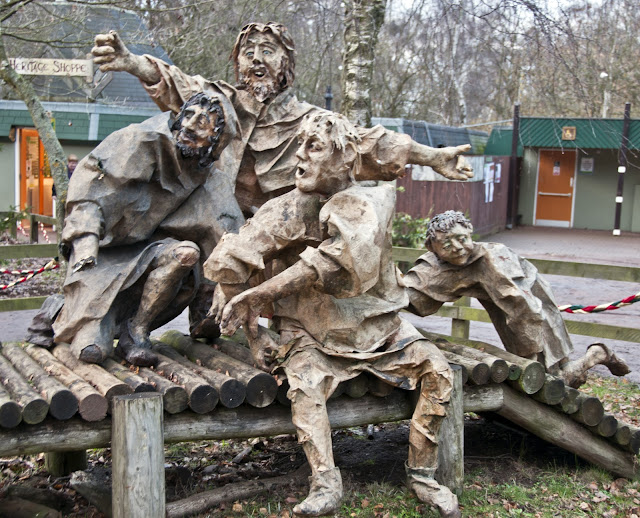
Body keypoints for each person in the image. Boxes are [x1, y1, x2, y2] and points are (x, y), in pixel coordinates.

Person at [204, 112, 460, 517]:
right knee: (305, 388)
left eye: (314, 147)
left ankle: (423, 475)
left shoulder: (372, 200)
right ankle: (325, 482)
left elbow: (337, 261)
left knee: (438, 371)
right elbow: (230, 259)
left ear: (345, 158)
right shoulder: (285, 210)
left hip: (380, 328)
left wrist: (262, 292)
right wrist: (254, 334)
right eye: (299, 146)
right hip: (311, 333)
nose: (299, 157)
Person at [91, 22, 474, 217]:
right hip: (211, 229)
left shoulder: (310, 121)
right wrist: (132, 63)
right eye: (248, 52)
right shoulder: (220, 102)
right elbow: (177, 83)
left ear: (286, 63)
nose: (256, 59)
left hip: (275, 240)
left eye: (268, 51)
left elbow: (365, 142)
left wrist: (431, 156)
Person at [47, 92, 243, 366]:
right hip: (105, 254)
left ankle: (137, 331)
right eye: (188, 115)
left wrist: (212, 306)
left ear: (216, 140)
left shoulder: (210, 181)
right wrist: (85, 240)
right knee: (91, 351)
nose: (189, 126)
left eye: (202, 123)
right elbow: (92, 186)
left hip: (153, 251)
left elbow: (229, 236)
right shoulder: (140, 141)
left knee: (186, 253)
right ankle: (57, 312)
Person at [403, 211, 630, 388]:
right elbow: (416, 294)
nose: (457, 248)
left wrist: (527, 361)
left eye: (462, 238)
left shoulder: (494, 259)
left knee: (551, 379)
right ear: (432, 248)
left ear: (470, 231)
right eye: (446, 245)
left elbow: (524, 306)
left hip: (535, 311)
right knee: (548, 376)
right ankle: (580, 363)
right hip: (513, 314)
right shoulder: (441, 264)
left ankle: (596, 354)